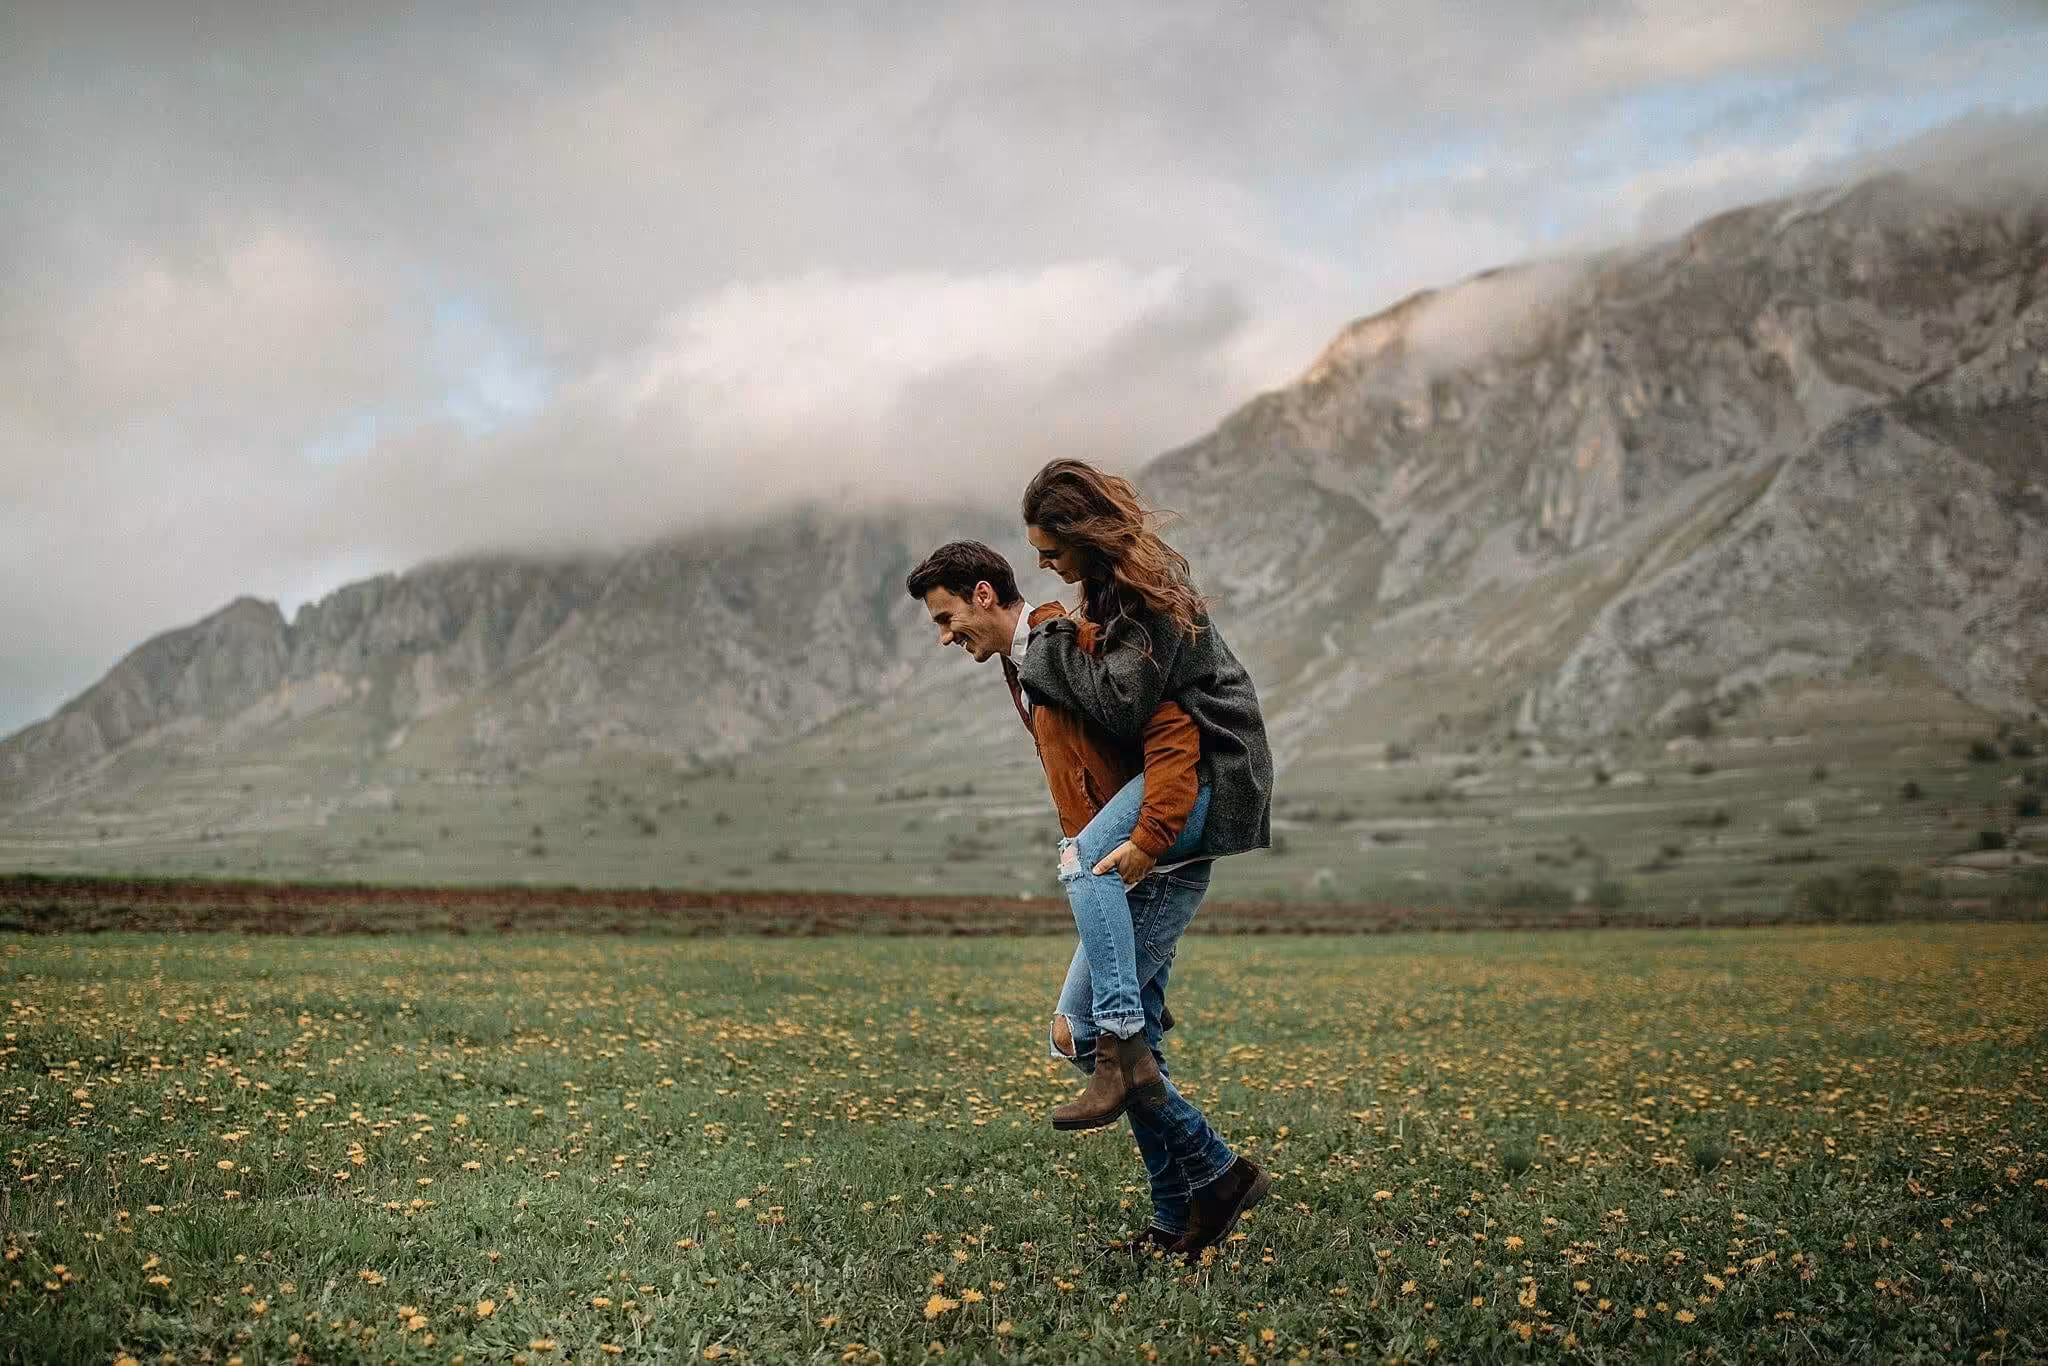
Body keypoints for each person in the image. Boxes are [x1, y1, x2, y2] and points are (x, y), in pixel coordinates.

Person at [906, 534, 1266, 1259]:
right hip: (1125, 872)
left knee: (1089, 1034)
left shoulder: (1069, 641)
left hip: (1152, 868)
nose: (945, 639)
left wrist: (1150, 838)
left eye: (947, 619)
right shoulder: (1030, 664)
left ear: (983, 594)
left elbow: (1173, 729)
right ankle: (1178, 1222)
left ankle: (1218, 1171)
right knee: (1109, 1045)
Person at [1012, 457, 1276, 1252]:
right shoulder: (1112, 594)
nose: (1046, 566)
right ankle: (1189, 1206)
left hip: (1215, 771)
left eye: (1052, 551)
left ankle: (1123, 1046)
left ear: (1082, 535)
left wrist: (1047, 644)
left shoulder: (1143, 594)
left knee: (1082, 859)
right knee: (1102, 1029)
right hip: (1184, 777)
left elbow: (1128, 703)